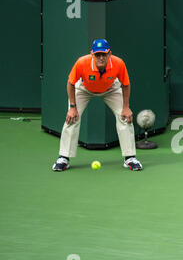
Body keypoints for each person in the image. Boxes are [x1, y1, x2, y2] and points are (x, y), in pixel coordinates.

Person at [52, 39, 143, 171]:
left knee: (124, 117)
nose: (101, 58)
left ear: (109, 54)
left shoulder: (118, 63)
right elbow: (71, 83)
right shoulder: (82, 62)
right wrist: (72, 107)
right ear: (92, 54)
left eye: (103, 54)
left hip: (111, 89)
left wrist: (126, 107)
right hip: (84, 89)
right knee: (72, 118)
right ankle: (64, 158)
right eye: (97, 54)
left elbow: (126, 84)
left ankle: (130, 157)